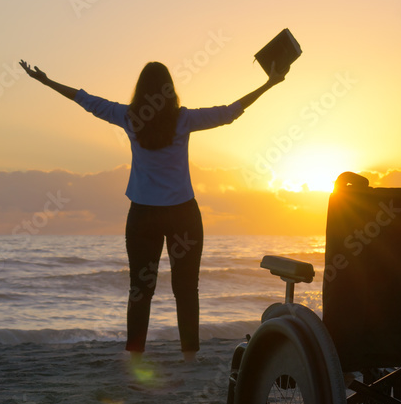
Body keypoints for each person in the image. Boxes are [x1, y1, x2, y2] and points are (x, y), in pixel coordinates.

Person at [20, 58, 286, 364]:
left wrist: (46, 81)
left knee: (140, 289)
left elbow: (86, 100)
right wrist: (269, 83)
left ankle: (135, 357)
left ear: (141, 91)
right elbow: (229, 113)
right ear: (169, 90)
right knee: (186, 289)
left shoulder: (129, 117)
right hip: (182, 215)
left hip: (143, 215)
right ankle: (189, 357)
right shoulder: (183, 119)